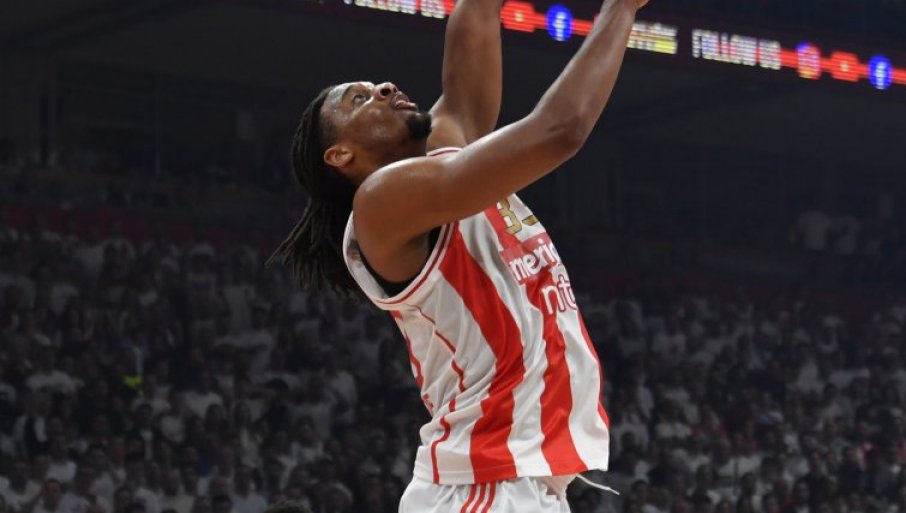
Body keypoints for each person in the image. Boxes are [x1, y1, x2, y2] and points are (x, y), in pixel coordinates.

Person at [268, 0, 649, 509]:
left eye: (377, 86)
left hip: (517, 479)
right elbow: (562, 129)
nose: (384, 88)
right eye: (360, 99)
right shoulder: (381, 203)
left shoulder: (446, 154)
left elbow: (475, 25)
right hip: (480, 485)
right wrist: (621, 10)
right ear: (341, 155)